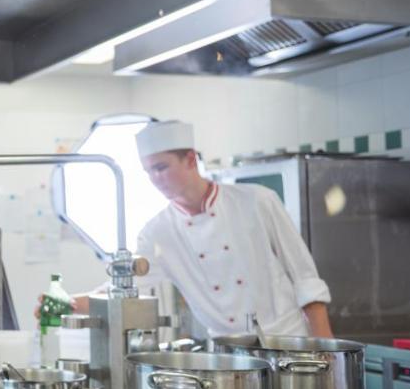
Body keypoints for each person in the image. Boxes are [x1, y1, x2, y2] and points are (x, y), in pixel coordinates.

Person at [69, 120, 332, 337]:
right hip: (227, 353)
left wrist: (324, 346)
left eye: (161, 167)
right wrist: (70, 303)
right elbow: (124, 289)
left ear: (191, 160)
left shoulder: (257, 201)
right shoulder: (157, 232)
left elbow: (304, 277)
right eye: (148, 171)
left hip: (287, 341)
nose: (155, 179)